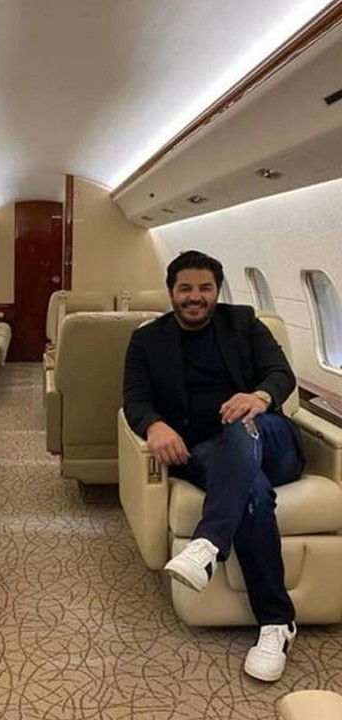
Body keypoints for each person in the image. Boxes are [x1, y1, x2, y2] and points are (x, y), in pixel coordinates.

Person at [123, 250, 300, 682]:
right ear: (171, 292)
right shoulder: (147, 340)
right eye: (185, 288)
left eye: (205, 288)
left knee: (241, 423)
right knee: (252, 492)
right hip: (203, 452)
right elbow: (135, 399)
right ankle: (277, 623)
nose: (195, 297)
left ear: (217, 291)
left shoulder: (245, 323)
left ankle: (208, 544)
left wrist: (257, 397)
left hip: (270, 440)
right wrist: (154, 425)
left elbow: (280, 373)